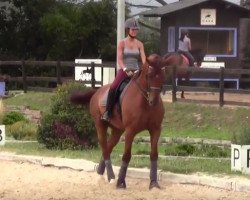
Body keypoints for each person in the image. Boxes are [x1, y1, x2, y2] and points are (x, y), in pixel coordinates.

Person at [101, 18, 146, 122]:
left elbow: (144, 59)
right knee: (113, 87)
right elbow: (119, 60)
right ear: (128, 30)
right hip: (124, 70)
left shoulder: (140, 44)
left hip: (136, 71)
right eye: (133, 29)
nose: (135, 31)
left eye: (136, 29)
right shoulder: (122, 43)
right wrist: (126, 69)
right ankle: (108, 112)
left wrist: (144, 67)